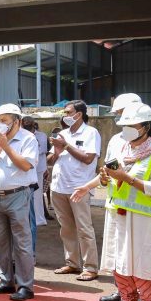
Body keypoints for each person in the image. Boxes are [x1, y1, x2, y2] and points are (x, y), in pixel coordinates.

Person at [71, 103, 151, 301]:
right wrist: (102, 179)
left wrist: (126, 178)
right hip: (120, 217)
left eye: (132, 125)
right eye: (124, 125)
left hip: (145, 221)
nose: (127, 129)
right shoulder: (123, 150)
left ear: (145, 126)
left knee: (144, 270)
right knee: (121, 267)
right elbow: (112, 182)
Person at [0, 103, 39, 301]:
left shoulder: (28, 139)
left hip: (18, 195)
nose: (0, 124)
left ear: (17, 121)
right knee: (1, 241)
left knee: (22, 243)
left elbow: (25, 165)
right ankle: (6, 281)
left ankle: (25, 286)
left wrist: (6, 147)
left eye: (4, 120)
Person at [97, 93, 143, 301]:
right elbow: (107, 170)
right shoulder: (116, 140)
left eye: (121, 113)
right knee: (117, 252)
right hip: (116, 204)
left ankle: (138, 296)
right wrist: (105, 179)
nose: (119, 119)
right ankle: (122, 292)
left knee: (136, 255)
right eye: (116, 115)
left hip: (139, 209)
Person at [48, 100, 101, 280]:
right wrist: (56, 150)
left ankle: (91, 267)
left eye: (68, 112)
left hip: (79, 187)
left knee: (84, 228)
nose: (65, 115)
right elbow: (50, 159)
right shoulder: (62, 133)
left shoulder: (91, 133)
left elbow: (88, 159)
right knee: (66, 228)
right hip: (59, 186)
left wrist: (67, 146)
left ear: (79, 114)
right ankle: (72, 263)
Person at [21, 117, 47, 259]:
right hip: (17, 182)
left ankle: (31, 254)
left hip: (33, 176)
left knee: (31, 215)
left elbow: (39, 151)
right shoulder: (15, 137)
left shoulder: (37, 137)